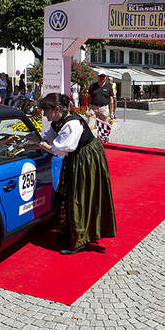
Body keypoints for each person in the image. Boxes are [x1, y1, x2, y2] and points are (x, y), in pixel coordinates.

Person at [31, 93, 116, 254]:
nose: (44, 115)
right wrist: (27, 146)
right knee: (67, 193)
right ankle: (71, 231)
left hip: (87, 158)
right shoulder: (58, 120)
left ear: (57, 109)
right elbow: (48, 140)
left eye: (46, 112)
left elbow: (58, 150)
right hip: (76, 157)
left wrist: (39, 143)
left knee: (79, 196)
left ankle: (79, 240)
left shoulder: (72, 124)